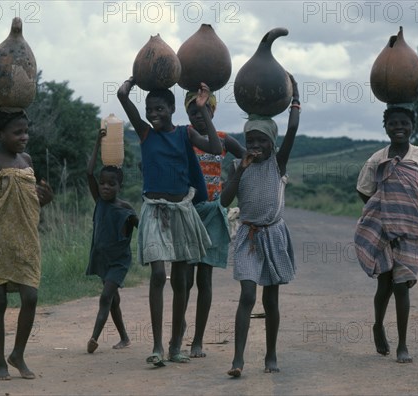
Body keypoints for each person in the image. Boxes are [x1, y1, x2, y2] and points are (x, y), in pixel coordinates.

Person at [117, 77, 222, 366]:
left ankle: (176, 345)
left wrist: (201, 108)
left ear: (172, 109)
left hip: (182, 211)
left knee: (181, 281)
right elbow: (122, 95)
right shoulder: (145, 133)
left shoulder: (186, 134)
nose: (153, 114)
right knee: (156, 275)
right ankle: (157, 346)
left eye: (160, 109)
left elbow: (215, 147)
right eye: (150, 109)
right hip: (154, 210)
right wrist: (136, 79)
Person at [220, 73, 300, 377]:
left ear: (272, 143)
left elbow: (292, 129)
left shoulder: (277, 164)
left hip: (274, 236)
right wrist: (239, 170)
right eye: (250, 140)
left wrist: (296, 96)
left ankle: (270, 354)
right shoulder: (238, 166)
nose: (255, 146)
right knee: (248, 295)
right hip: (247, 236)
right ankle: (238, 359)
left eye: (261, 141)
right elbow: (226, 201)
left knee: (271, 299)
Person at [354, 105, 418, 363]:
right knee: (384, 284)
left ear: (413, 127)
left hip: (411, 233)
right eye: (393, 123)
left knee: (402, 285)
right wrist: (385, 210)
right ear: (386, 127)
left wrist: (414, 217)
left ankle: (403, 345)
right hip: (383, 230)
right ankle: (378, 325)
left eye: (404, 123)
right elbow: (364, 189)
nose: (399, 127)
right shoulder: (377, 159)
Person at [0, 109, 53, 380]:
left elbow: (27, 199)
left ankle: (17, 354)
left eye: (26, 131)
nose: (24, 137)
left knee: (31, 296)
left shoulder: (26, 160)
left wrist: (45, 198)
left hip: (26, 239)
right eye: (18, 132)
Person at [181, 91, 245, 358]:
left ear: (214, 112)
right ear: (186, 114)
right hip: (187, 211)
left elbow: (246, 158)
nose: (198, 115)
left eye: (205, 109)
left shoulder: (222, 139)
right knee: (184, 279)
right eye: (194, 110)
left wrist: (235, 176)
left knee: (204, 279)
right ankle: (179, 330)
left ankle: (197, 340)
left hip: (213, 214)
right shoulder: (183, 135)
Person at [85, 129, 138, 353]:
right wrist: (97, 141)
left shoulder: (125, 209)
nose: (106, 187)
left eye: (111, 184)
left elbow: (138, 229)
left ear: (119, 186)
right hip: (102, 259)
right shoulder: (99, 201)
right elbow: (89, 172)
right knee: (113, 300)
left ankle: (94, 338)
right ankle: (124, 337)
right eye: (103, 183)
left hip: (118, 262)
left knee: (106, 296)